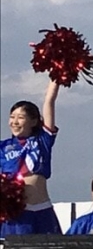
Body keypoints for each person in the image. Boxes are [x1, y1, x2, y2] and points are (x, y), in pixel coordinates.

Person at [1, 80, 62, 236]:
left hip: (43, 208)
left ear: (34, 121)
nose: (14, 122)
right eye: (12, 117)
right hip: (17, 212)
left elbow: (49, 102)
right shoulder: (3, 147)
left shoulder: (43, 140)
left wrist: (56, 77)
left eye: (20, 117)